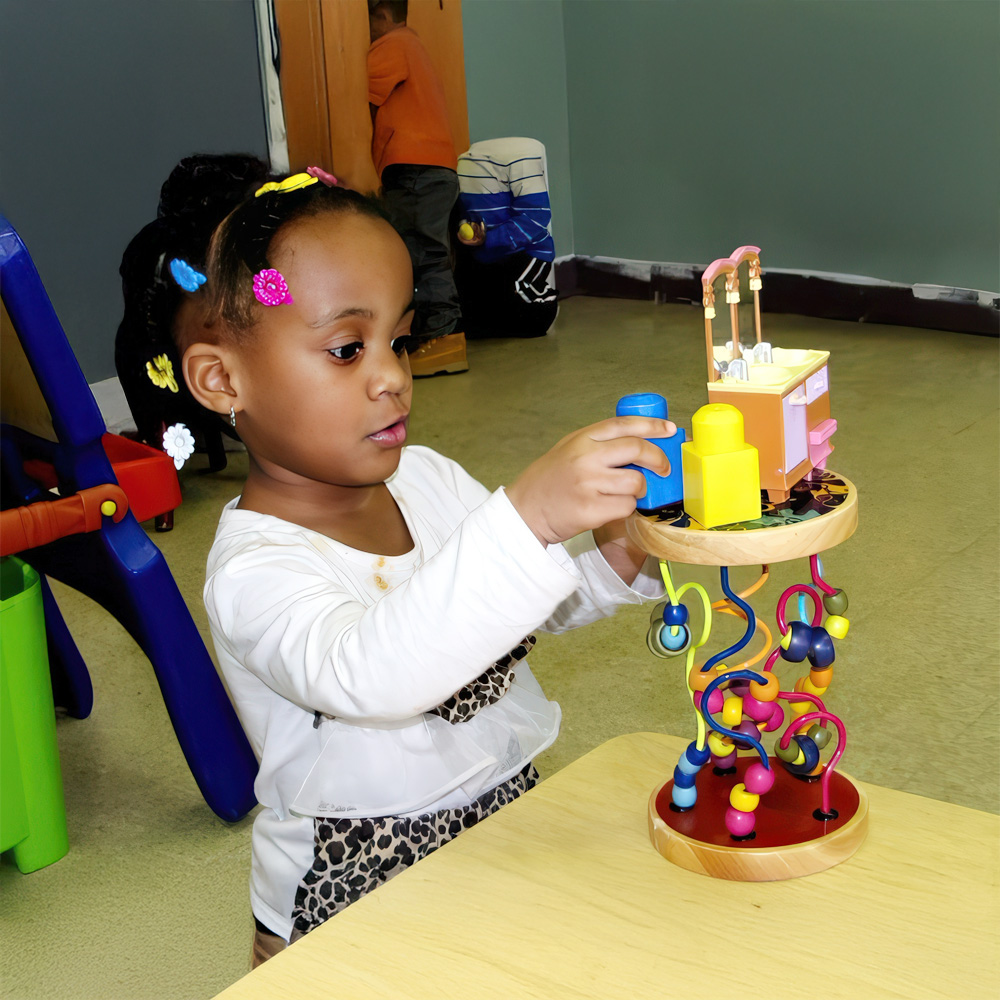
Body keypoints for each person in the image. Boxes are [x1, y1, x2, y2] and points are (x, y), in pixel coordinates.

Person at [178, 172, 675, 966]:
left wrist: (625, 544)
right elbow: (368, 673)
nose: (391, 376)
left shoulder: (428, 477)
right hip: (351, 887)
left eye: (399, 340)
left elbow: (528, 600)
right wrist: (529, 517)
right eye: (347, 349)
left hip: (500, 825)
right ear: (222, 380)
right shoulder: (253, 568)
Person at [114, 154, 273, 489]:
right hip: (159, 358)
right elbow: (195, 312)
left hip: (180, 350)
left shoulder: (210, 244)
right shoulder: (175, 256)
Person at [367, 0, 466, 376]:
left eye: (371, 20)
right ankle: (442, 338)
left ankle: (441, 339)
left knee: (421, 255)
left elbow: (352, 85)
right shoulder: (416, 46)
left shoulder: (394, 44)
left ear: (384, 16)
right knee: (432, 253)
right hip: (437, 166)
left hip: (413, 167)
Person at [455, 136, 559, 339]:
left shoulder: (520, 159)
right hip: (487, 250)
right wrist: (465, 228)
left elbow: (537, 216)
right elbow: (465, 210)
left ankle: (537, 304)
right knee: (470, 311)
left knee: (530, 311)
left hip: (527, 249)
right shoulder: (467, 164)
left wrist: (491, 239)